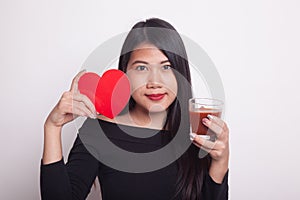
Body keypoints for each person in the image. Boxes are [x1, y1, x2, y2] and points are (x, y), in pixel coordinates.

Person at [40, 18, 229, 200]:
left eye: (166, 67)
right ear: (125, 75)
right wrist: (52, 128)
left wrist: (220, 162)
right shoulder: (99, 131)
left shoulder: (198, 135)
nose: (155, 82)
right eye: (141, 68)